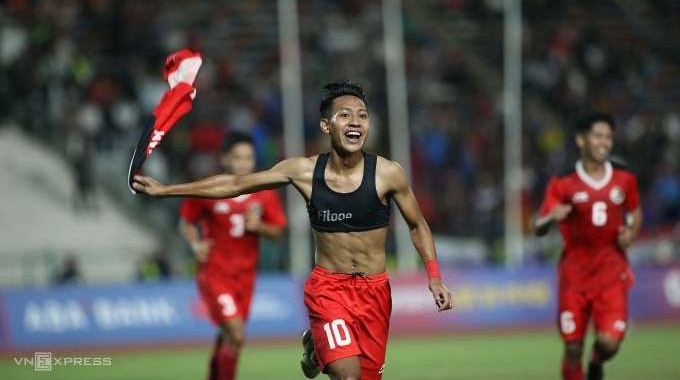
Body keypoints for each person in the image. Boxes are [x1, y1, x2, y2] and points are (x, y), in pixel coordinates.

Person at [133, 80, 453, 380]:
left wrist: (434, 277)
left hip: (375, 293)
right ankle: (323, 343)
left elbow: (417, 224)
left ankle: (316, 350)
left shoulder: (388, 173)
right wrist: (166, 190)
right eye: (345, 115)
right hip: (330, 289)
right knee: (348, 375)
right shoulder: (302, 170)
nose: (356, 122)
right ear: (326, 126)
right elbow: (235, 183)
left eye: (362, 116)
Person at [531, 110, 643, 380]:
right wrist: (550, 216)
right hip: (574, 277)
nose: (604, 142)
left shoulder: (624, 178)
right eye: (598, 136)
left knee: (609, 343)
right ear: (581, 140)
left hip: (611, 273)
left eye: (608, 137)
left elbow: (635, 210)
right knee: (572, 347)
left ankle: (596, 361)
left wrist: (632, 231)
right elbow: (537, 227)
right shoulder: (563, 182)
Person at [179, 131, 287, 380]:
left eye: (248, 158)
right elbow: (186, 221)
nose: (243, 163)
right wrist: (196, 244)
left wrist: (259, 227)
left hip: (246, 276)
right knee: (237, 335)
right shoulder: (211, 188)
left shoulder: (264, 193)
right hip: (215, 271)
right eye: (237, 158)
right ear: (224, 159)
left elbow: (279, 232)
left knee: (229, 335)